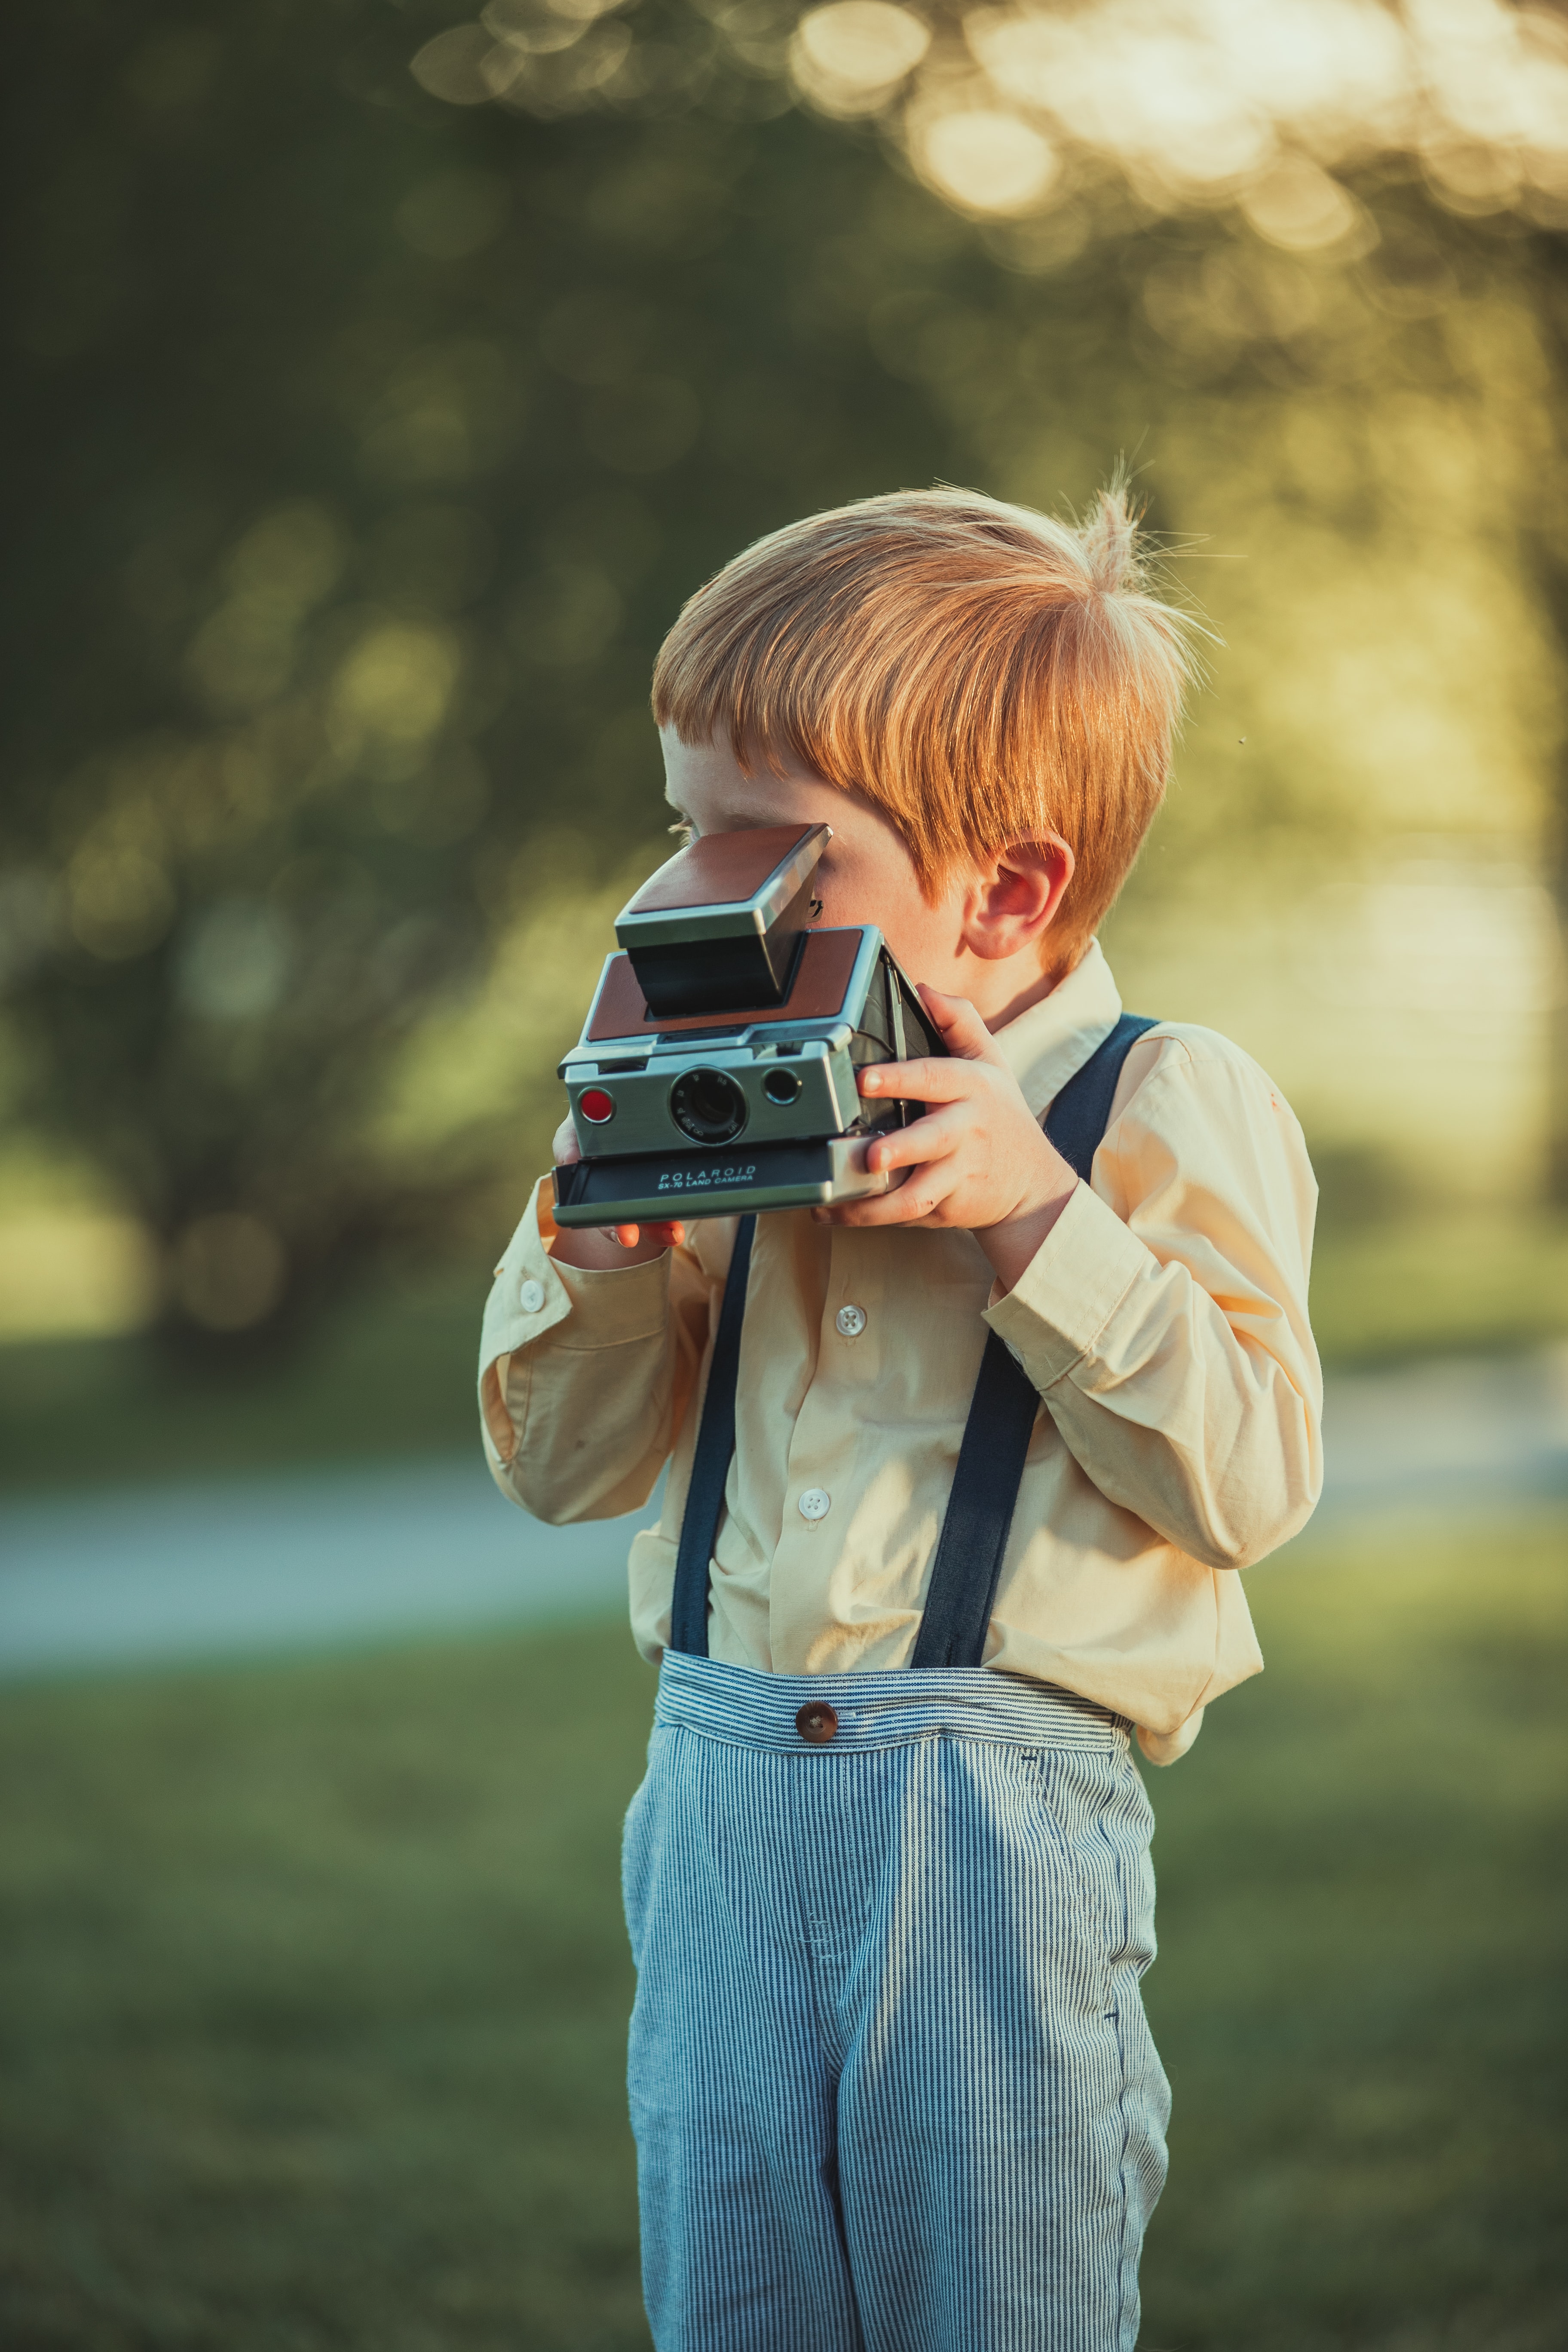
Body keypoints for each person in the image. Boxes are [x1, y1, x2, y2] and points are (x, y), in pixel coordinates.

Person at [478, 486, 1322, 2351]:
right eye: (687, 836)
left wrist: (1043, 1221)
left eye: (775, 857)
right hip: (714, 1796)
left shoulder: (1164, 1103)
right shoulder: (721, 1089)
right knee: (740, 2289)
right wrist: (604, 1243)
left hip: (991, 1819)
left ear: (1005, 889)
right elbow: (567, 1468)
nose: (705, 905)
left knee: (995, 2294)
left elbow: (1252, 1479)